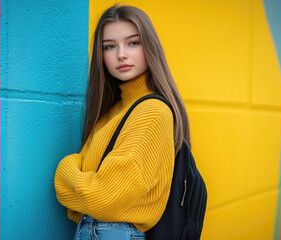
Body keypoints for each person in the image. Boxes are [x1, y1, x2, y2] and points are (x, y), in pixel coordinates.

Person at [54, 4, 191, 240]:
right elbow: (82, 205)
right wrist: (88, 190)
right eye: (109, 46)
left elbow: (103, 198)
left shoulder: (152, 111)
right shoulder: (114, 112)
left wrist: (65, 170)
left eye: (133, 43)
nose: (121, 55)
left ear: (150, 47)